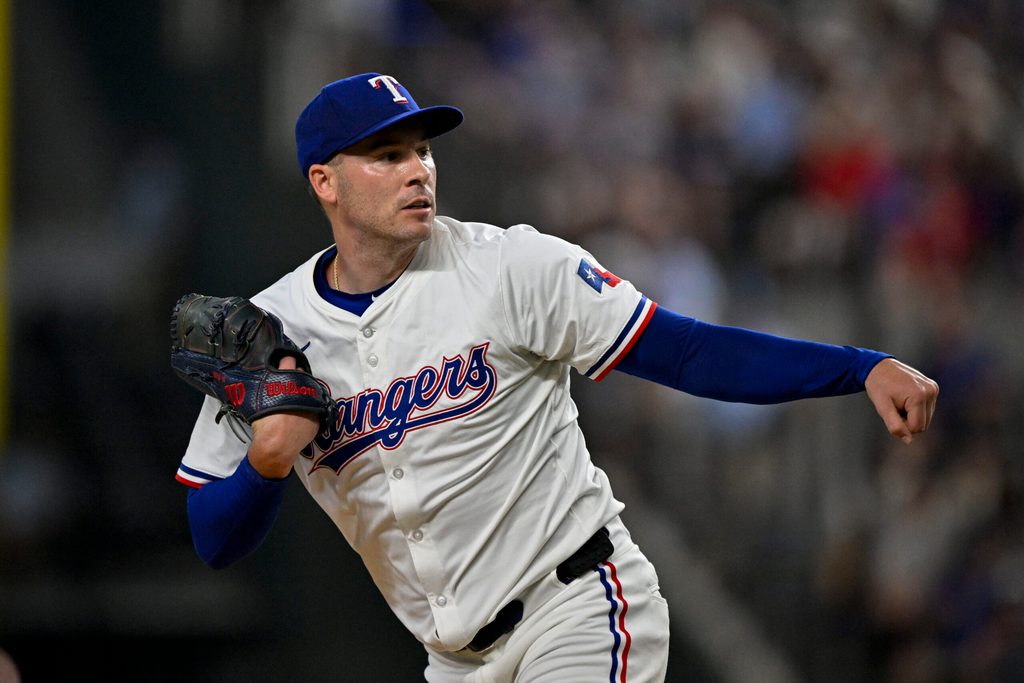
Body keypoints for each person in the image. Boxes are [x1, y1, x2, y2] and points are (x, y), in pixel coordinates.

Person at [175, 73, 939, 682]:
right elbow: (213, 535)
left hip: (575, 609)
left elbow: (687, 351)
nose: (418, 171)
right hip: (454, 660)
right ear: (324, 182)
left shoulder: (509, 266)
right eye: (387, 156)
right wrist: (267, 461)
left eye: (423, 150)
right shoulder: (272, 332)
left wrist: (859, 368)